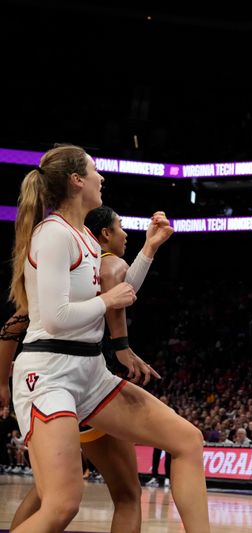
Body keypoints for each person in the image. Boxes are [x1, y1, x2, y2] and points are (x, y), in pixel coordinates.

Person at [9, 145, 209, 532]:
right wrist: (106, 301)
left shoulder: (82, 235)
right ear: (76, 180)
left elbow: (122, 290)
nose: (102, 178)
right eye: (95, 171)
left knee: (188, 440)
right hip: (49, 374)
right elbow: (54, 319)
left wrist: (149, 248)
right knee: (61, 504)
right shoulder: (52, 235)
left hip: (89, 372)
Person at [3, 204, 173, 531]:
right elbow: (120, 289)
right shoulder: (96, 265)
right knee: (110, 496)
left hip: (77, 382)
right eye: (121, 227)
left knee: (49, 496)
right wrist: (122, 346)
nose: (126, 234)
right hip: (77, 385)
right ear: (104, 235)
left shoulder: (86, 269)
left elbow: (10, 328)